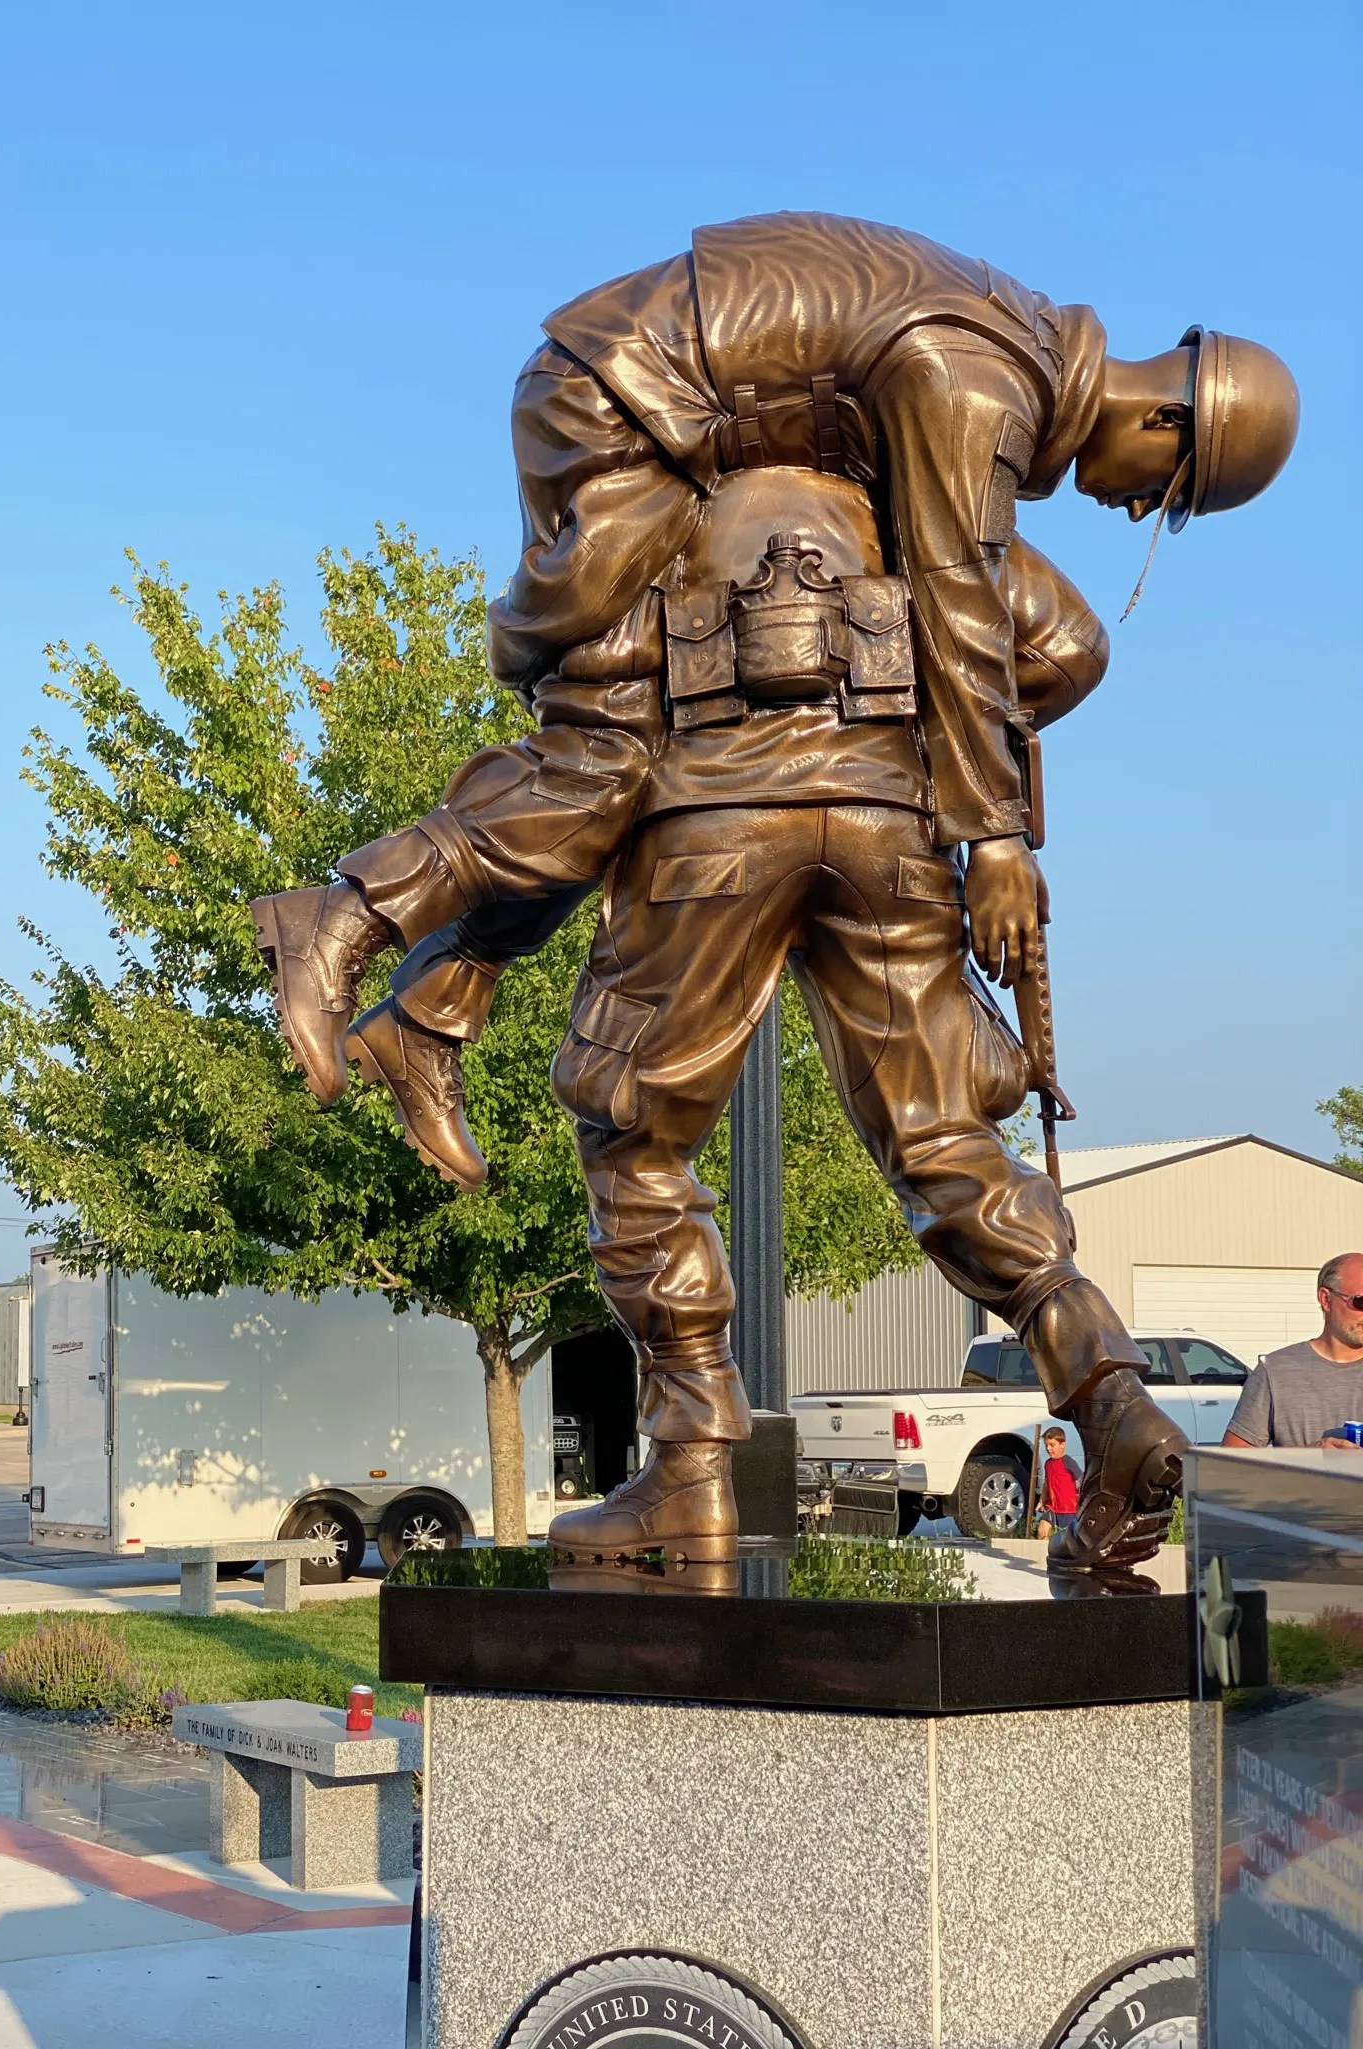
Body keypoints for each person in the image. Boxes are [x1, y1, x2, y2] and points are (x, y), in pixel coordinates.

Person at [253, 212, 1298, 1570]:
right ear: (1167, 425)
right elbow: (980, 601)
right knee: (946, 1142)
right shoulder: (975, 374)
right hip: (613, 399)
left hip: (725, 817)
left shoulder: (922, 399)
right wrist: (985, 832)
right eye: (1153, 496)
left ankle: (687, 1459)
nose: (1121, 510)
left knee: (632, 1086)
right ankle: (1105, 1393)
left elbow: (1004, 614)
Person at [1222, 1254, 1363, 1450]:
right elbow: (1232, 1462)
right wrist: (1310, 1455)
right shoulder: (1276, 1371)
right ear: (1326, 1299)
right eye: (1360, 1302)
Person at [1035, 1426, 1083, 1540]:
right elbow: (1046, 1483)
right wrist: (1041, 1501)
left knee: (1068, 1540)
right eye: (1046, 1445)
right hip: (1053, 1507)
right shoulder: (1048, 1464)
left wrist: (1080, 1502)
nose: (1048, 1448)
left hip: (1068, 1509)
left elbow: (1081, 1480)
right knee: (1042, 1527)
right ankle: (1043, 1554)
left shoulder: (1068, 1462)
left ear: (1062, 1444)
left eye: (1052, 1445)